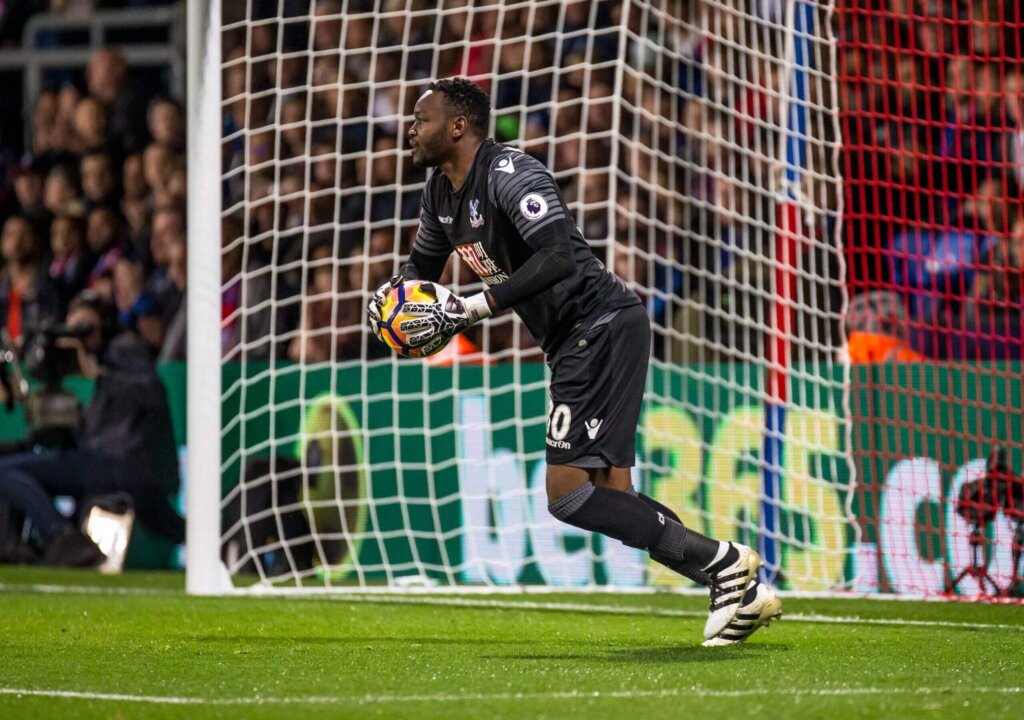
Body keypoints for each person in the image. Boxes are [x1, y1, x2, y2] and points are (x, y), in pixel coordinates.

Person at [367, 78, 781, 646]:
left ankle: (724, 561)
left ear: (458, 126)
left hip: (599, 324)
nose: (411, 129)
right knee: (614, 497)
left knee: (567, 494)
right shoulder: (440, 193)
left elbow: (559, 253)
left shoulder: (510, 173)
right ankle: (736, 586)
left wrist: (476, 305)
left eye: (423, 118)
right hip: (577, 338)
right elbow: (421, 275)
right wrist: (395, 310)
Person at [0, 291, 183, 566]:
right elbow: (94, 434)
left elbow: (153, 393)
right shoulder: (106, 364)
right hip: (107, 463)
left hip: (125, 466)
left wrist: (99, 374)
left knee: (5, 471)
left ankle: (59, 535)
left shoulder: (123, 348)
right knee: (11, 463)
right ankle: (20, 544)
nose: (80, 336)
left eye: (85, 326)